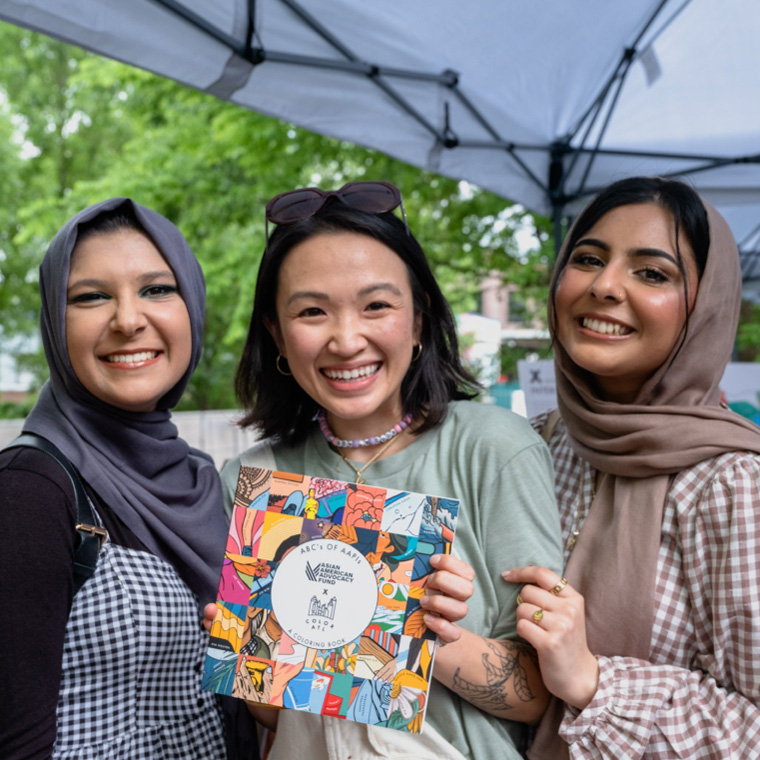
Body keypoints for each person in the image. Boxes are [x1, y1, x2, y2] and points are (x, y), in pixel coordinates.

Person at [215, 180, 564, 760]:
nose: (346, 340)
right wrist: (249, 641)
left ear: (420, 320)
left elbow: (538, 694)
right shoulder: (253, 478)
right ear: (276, 333)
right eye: (311, 311)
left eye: (376, 305)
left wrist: (414, 623)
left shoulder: (494, 447)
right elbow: (268, 710)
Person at [503, 176, 760, 758]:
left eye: (652, 272)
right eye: (588, 259)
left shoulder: (732, 485)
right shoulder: (532, 445)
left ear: (706, 307)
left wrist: (593, 682)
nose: (605, 286)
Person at [0, 198, 255, 759]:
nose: (128, 319)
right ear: (53, 320)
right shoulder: (28, 490)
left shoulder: (206, 482)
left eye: (158, 289)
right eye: (91, 296)